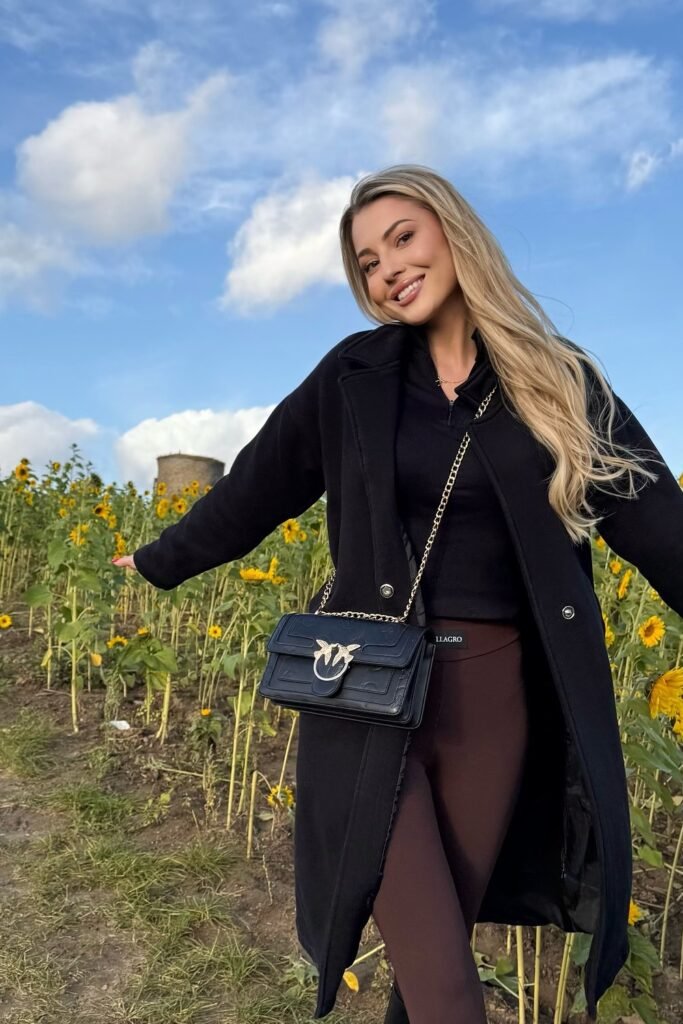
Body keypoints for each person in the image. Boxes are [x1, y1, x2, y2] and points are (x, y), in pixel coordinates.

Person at [114, 165, 683, 1023]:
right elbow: (259, 485)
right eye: (367, 262)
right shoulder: (355, 376)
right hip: (365, 693)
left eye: (402, 239)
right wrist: (162, 558)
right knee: (448, 990)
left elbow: (656, 522)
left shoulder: (558, 382)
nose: (387, 270)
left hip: (495, 702)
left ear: (454, 232)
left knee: (432, 965)